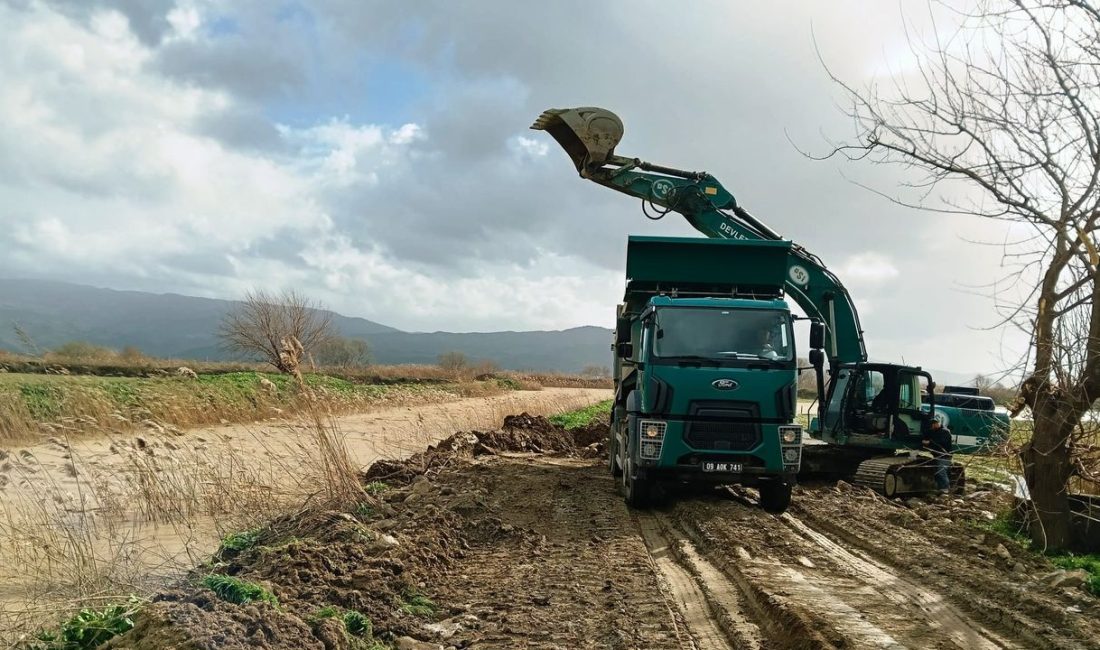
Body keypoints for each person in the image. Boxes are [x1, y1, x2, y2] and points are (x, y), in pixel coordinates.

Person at [923, 419, 953, 494]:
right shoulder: (933, 431)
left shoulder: (945, 432)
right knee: (937, 472)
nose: (932, 428)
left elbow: (942, 442)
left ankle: (945, 488)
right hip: (937, 455)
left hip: (944, 455)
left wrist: (930, 442)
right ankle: (940, 488)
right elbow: (927, 436)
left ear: (936, 424)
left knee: (941, 471)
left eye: (933, 426)